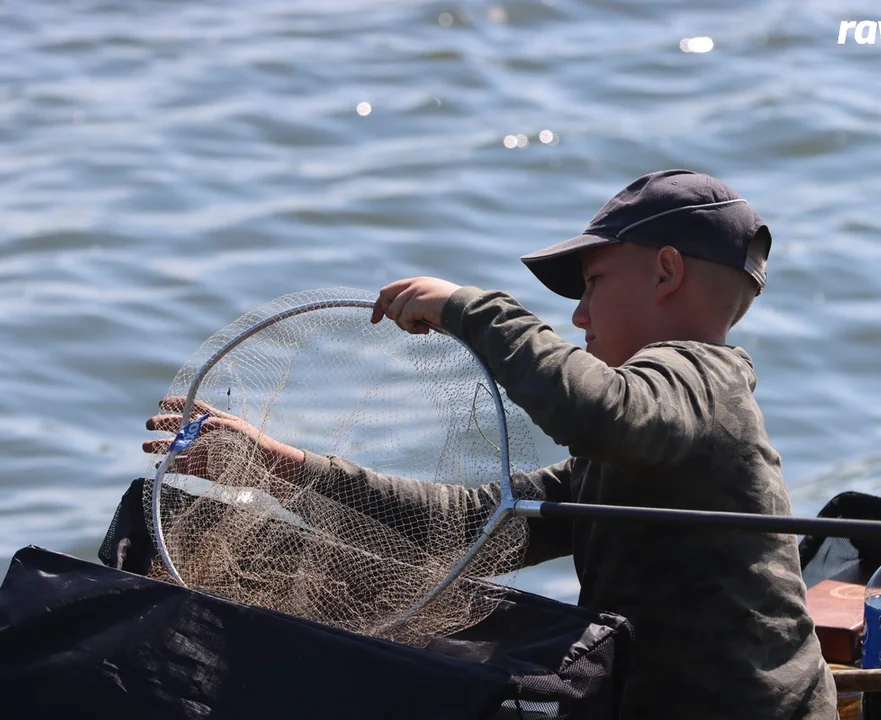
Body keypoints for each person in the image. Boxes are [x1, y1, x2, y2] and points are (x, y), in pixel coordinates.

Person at [146, 169, 837, 719]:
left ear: (666, 272)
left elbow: (600, 411)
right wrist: (279, 468)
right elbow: (468, 525)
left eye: (594, 282)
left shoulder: (701, 380)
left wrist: (470, 309)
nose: (579, 314)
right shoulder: (644, 443)